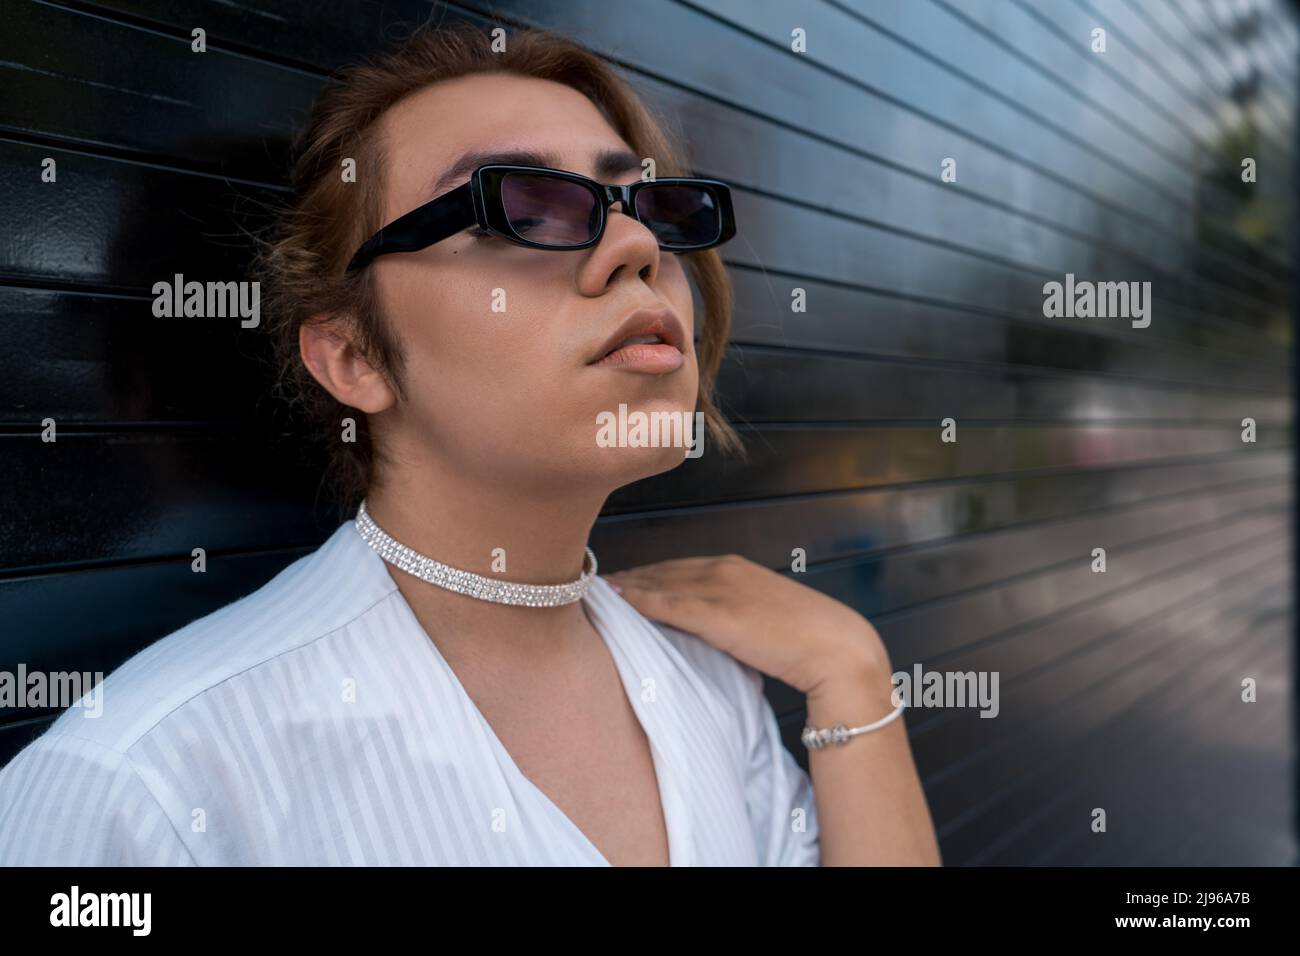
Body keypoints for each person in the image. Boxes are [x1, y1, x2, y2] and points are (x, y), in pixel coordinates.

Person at [0, 20, 939, 866]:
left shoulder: (708, 690)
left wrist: (851, 672)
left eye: (650, 209)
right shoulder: (143, 790)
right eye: (524, 206)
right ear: (354, 356)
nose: (638, 250)